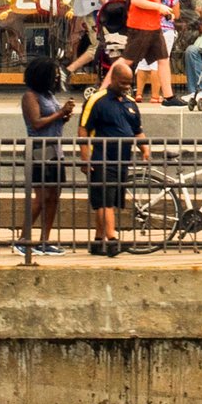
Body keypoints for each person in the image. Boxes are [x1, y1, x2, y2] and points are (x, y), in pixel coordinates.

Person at [78, 59, 148, 257]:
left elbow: (137, 130)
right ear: (113, 79)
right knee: (105, 201)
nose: (126, 87)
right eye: (123, 83)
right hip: (101, 158)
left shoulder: (131, 103)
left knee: (111, 200)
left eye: (129, 83)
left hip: (122, 160)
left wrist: (145, 149)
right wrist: (85, 158)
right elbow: (83, 129)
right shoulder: (97, 100)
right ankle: (112, 238)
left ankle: (99, 240)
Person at [15, 57, 71, 256]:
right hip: (39, 149)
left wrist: (63, 117)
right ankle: (23, 238)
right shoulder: (30, 96)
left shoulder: (49, 95)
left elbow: (52, 122)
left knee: (54, 196)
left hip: (55, 149)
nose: (57, 78)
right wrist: (60, 113)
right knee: (41, 196)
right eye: (54, 74)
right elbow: (36, 123)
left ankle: (45, 240)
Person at [124, 0, 176, 105]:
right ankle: (105, 90)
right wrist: (159, 7)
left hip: (153, 25)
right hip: (142, 26)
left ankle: (169, 96)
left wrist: (163, 10)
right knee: (127, 60)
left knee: (163, 59)